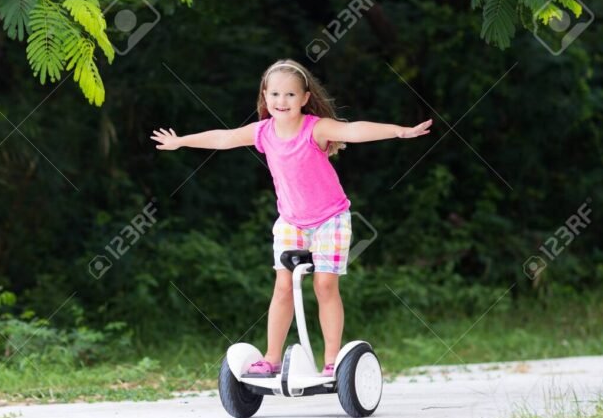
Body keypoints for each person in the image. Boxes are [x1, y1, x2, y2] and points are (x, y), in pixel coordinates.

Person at [151, 59, 431, 377]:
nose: (281, 101)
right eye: (274, 94)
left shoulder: (316, 128)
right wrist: (181, 141)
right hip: (291, 221)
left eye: (290, 95)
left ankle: (331, 360)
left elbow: (353, 130)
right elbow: (223, 138)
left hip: (330, 219)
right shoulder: (263, 132)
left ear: (305, 98)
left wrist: (399, 131)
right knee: (283, 286)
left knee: (325, 285)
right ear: (265, 96)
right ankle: (271, 358)